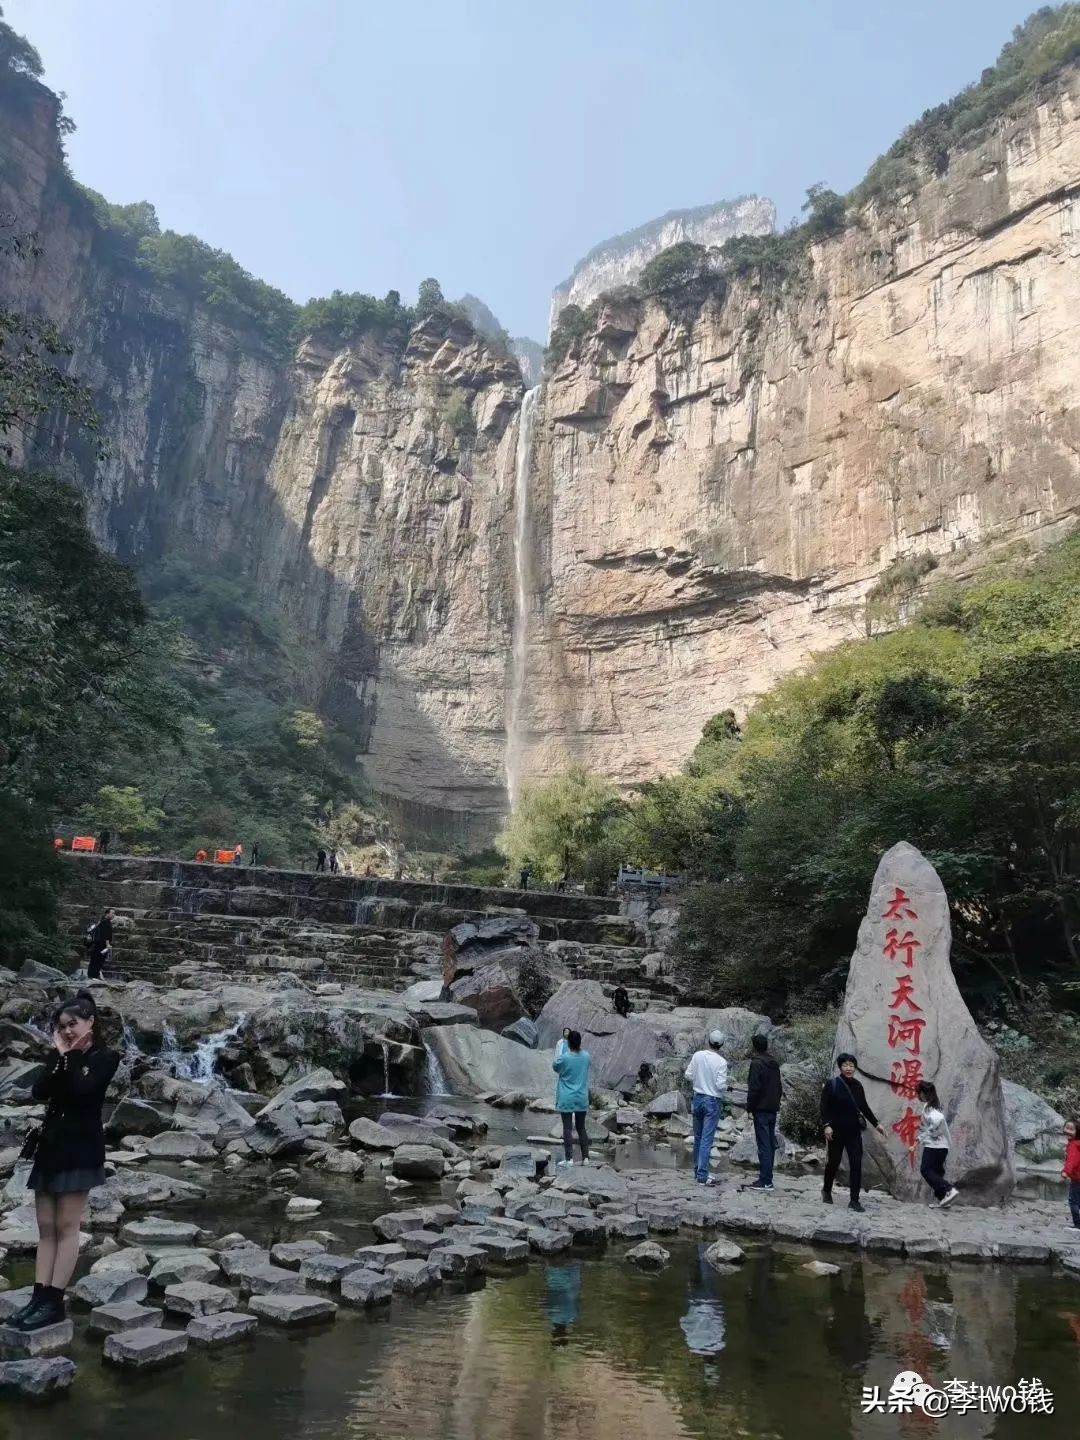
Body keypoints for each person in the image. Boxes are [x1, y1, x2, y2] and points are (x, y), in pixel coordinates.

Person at [7, 992, 120, 1332]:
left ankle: (55, 1301)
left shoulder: (105, 1057)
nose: (67, 1031)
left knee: (67, 1227)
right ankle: (38, 1297)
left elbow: (83, 1090)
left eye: (73, 1024)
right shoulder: (59, 1056)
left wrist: (68, 1057)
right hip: (51, 1147)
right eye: (62, 1026)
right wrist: (60, 1056)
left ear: (90, 1022)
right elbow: (40, 1091)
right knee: (46, 1228)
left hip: (80, 1150)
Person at [820, 1053, 886, 1212]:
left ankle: (854, 1200)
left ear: (855, 1068)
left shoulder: (857, 1086)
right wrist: (826, 1125)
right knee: (833, 1163)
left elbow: (864, 1107)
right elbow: (823, 1106)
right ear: (840, 1067)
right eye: (845, 1065)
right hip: (836, 1131)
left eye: (851, 1065)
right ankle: (826, 1190)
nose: (849, 1068)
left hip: (854, 1132)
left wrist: (877, 1123)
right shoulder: (833, 1084)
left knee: (856, 1164)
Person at [685, 1030, 728, 1186]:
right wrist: (726, 1087)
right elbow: (720, 1085)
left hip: (697, 1098)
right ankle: (703, 1176)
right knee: (706, 1139)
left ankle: (697, 1171)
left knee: (697, 1137)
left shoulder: (697, 1055)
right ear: (721, 1045)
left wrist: (699, 1080)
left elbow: (688, 1075)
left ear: (708, 1041)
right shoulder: (722, 1062)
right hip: (712, 1101)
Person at [746, 1033, 783, 1190]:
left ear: (754, 1047)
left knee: (764, 1145)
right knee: (769, 1142)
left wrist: (749, 1107)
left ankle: (765, 1180)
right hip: (772, 1108)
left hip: (760, 1108)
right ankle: (768, 1178)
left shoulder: (757, 1063)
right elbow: (779, 1087)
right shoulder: (774, 1063)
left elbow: (754, 1088)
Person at [916, 1080, 958, 1208]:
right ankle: (944, 1200)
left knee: (926, 1170)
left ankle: (948, 1189)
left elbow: (937, 1120)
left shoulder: (932, 1110)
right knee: (936, 1172)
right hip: (941, 1147)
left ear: (924, 1093)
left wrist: (918, 1139)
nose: (918, 1095)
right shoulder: (929, 1106)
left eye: (919, 1093)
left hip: (935, 1146)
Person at [553, 1029, 591, 1168]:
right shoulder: (586, 1056)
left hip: (566, 1097)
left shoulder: (564, 1057)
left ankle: (569, 1159)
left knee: (567, 1128)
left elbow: (555, 1067)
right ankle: (586, 1158)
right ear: (580, 1042)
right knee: (581, 1128)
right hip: (581, 1096)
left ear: (568, 1043)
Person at [85, 909, 114, 981]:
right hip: (101, 945)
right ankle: (93, 975)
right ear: (107, 914)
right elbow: (106, 934)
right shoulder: (105, 922)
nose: (114, 915)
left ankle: (95, 975)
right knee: (97, 959)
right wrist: (108, 944)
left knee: (98, 959)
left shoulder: (104, 921)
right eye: (112, 913)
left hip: (100, 944)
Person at [1062, 1118, 1080, 1229]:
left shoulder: (1073, 1145)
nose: (1068, 1131)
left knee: (1073, 1201)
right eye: (1066, 1127)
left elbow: (1072, 1160)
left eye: (1071, 1129)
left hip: (1077, 1179)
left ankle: (1077, 1224)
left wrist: (1065, 1171)